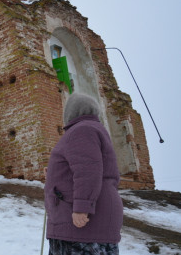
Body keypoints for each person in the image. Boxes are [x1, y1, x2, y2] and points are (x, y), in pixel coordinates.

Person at [44, 93, 123, 255]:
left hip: (78, 227)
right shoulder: (92, 129)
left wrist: (82, 207)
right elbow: (88, 166)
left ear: (70, 112)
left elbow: (88, 170)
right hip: (91, 223)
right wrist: (54, 173)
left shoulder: (81, 130)